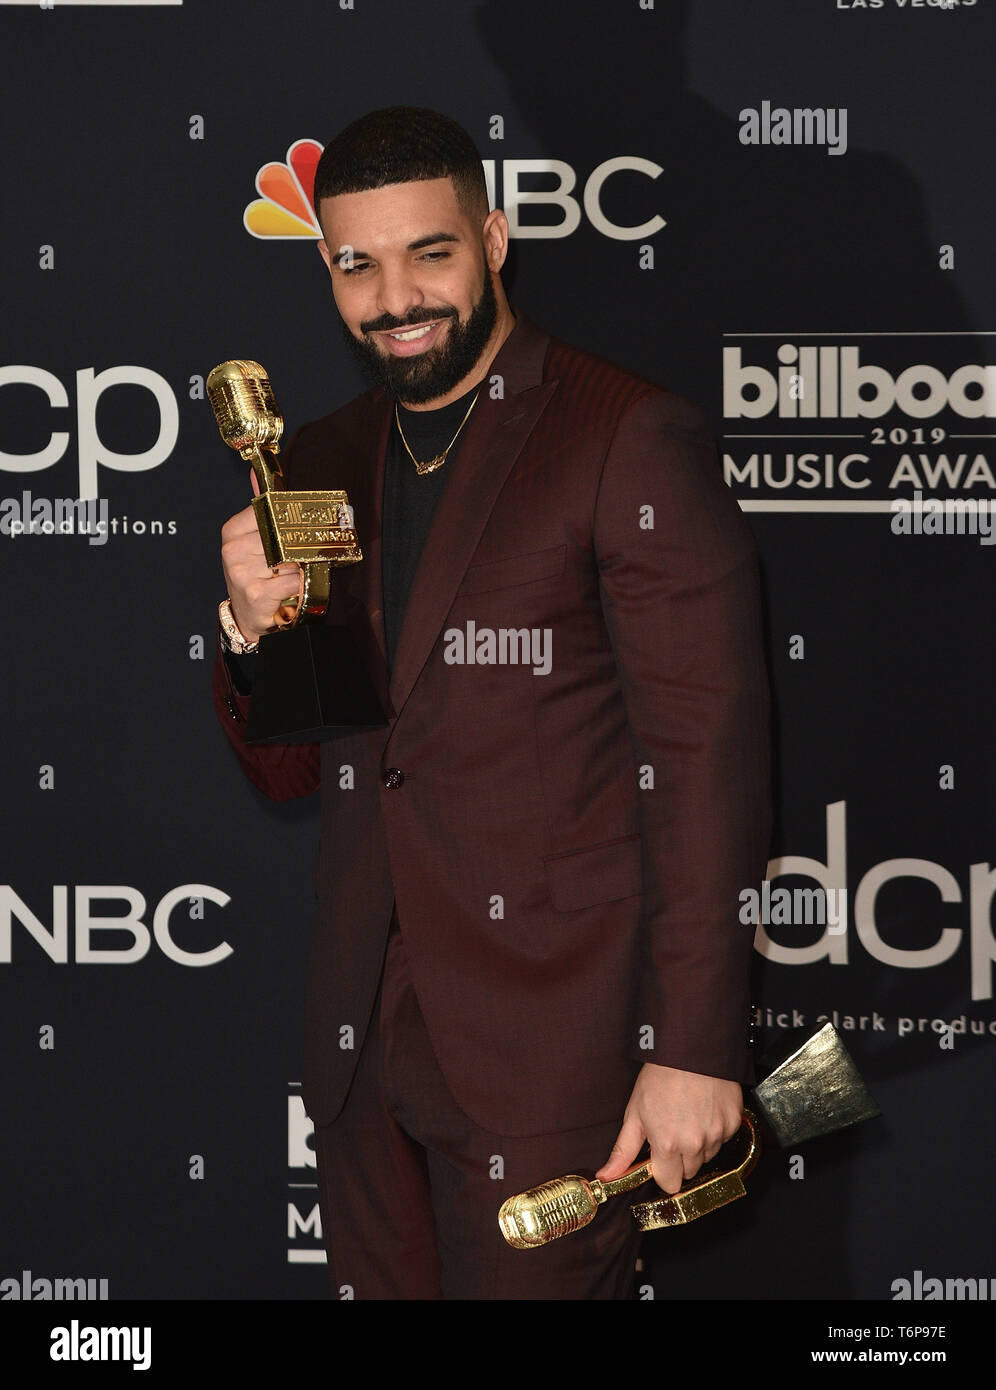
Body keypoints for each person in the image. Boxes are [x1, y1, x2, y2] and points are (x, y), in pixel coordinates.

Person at [213, 106, 771, 1300]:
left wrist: (694, 1048)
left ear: (497, 238)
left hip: (558, 1047)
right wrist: (250, 641)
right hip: (364, 1048)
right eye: (356, 264)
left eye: (431, 252)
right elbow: (291, 772)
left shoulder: (623, 434)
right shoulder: (320, 451)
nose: (393, 296)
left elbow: (707, 761)